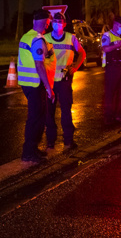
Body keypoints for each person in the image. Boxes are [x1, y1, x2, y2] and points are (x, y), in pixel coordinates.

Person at [18, 9, 57, 163]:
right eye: (48, 23)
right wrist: (49, 88)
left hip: (27, 84)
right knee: (36, 119)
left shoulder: (26, 36)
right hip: (35, 84)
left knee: (36, 118)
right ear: (45, 22)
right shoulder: (37, 40)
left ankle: (32, 149)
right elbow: (39, 64)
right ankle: (29, 152)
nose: (48, 26)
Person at [44, 12, 85, 151]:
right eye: (55, 21)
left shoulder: (71, 38)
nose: (57, 24)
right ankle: (50, 141)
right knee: (49, 112)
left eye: (60, 22)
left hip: (64, 80)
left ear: (65, 24)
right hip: (49, 81)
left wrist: (75, 66)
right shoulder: (45, 38)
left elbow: (82, 53)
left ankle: (68, 139)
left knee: (66, 111)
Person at [101, 16, 121, 126]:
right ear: (115, 25)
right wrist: (119, 44)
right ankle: (108, 117)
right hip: (112, 67)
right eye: (120, 26)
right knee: (110, 93)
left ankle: (119, 115)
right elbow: (105, 48)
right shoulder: (107, 35)